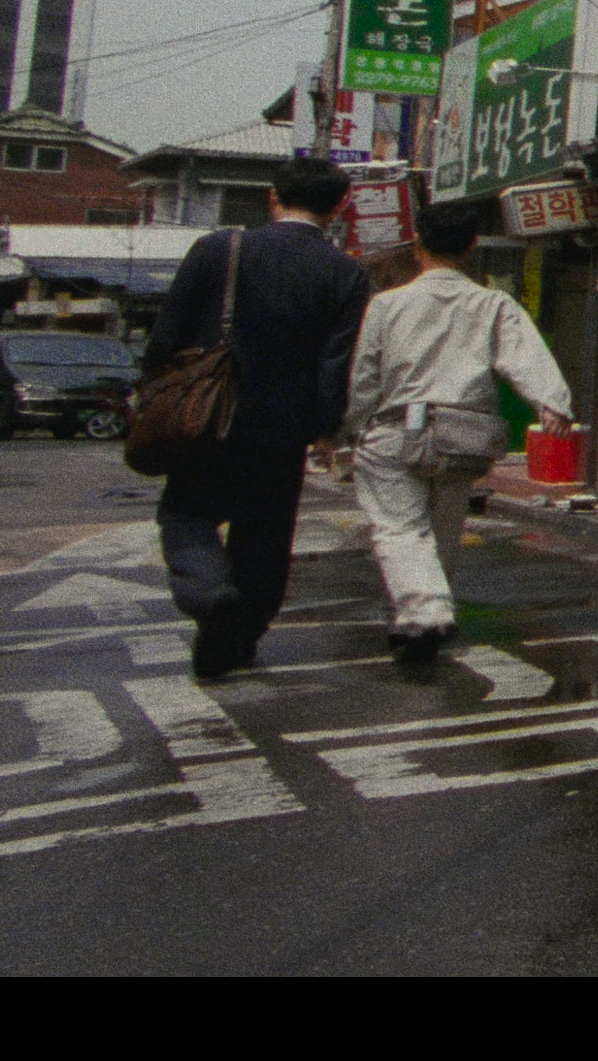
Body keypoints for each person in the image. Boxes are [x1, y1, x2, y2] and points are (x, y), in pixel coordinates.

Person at [152, 157, 374, 681]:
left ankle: (209, 593)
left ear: (273, 197)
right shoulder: (345, 272)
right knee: (266, 535)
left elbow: (167, 333)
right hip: (283, 427)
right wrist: (325, 428)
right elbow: (336, 361)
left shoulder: (217, 249)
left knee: (186, 515)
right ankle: (240, 636)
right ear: (340, 206)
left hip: (205, 416)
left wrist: (155, 392)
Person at [343, 197, 571, 673]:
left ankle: (424, 612)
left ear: (418, 246)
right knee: (443, 529)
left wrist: (350, 430)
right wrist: (552, 402)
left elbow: (365, 376)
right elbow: (523, 354)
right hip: (463, 435)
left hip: (397, 429)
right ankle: (419, 617)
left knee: (400, 528)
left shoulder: (387, 305)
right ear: (470, 247)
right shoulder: (492, 303)